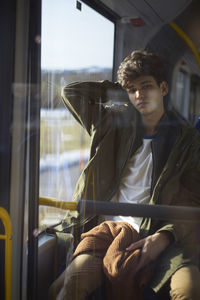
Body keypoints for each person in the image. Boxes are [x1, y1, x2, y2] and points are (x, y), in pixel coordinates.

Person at [52, 50, 200, 300]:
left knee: (189, 289)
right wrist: (119, 92)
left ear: (163, 88)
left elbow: (192, 201)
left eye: (146, 86)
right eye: (132, 89)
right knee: (71, 286)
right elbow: (71, 93)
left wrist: (163, 237)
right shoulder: (112, 125)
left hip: (160, 231)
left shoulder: (187, 141)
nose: (139, 95)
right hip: (107, 230)